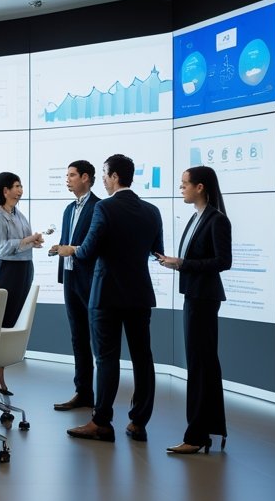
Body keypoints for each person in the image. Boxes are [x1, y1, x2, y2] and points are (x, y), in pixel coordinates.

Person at [56, 153, 163, 444]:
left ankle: (102, 422)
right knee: (143, 358)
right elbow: (156, 249)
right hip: (140, 294)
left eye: (104, 174)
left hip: (107, 294)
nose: (102, 180)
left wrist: (70, 250)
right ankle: (138, 423)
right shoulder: (152, 211)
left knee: (106, 358)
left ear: (115, 176)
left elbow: (88, 250)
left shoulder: (104, 207)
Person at [156, 166, 232, 454]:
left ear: (200, 187)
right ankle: (207, 430)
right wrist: (176, 263)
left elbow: (223, 261)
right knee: (202, 365)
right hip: (194, 295)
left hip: (204, 298)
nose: (181, 188)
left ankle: (197, 435)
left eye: (185, 184)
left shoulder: (217, 220)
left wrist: (182, 264)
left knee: (201, 366)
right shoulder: (195, 217)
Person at [50, 161, 100, 411]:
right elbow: (67, 241)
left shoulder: (99, 207)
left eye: (71, 175)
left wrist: (71, 250)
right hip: (70, 277)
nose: (67, 179)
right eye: (66, 175)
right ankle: (83, 392)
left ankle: (102, 398)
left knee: (98, 339)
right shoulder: (69, 209)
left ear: (85, 177)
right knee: (78, 337)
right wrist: (58, 249)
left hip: (90, 279)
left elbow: (96, 245)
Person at [0, 172, 44, 395]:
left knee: (14, 322)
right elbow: (2, 249)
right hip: (7, 272)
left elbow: (23, 243)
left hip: (24, 269)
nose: (20, 190)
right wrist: (26, 241)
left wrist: (34, 241)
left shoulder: (19, 215)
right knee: (3, 322)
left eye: (21, 186)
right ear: (5, 190)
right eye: (17, 186)